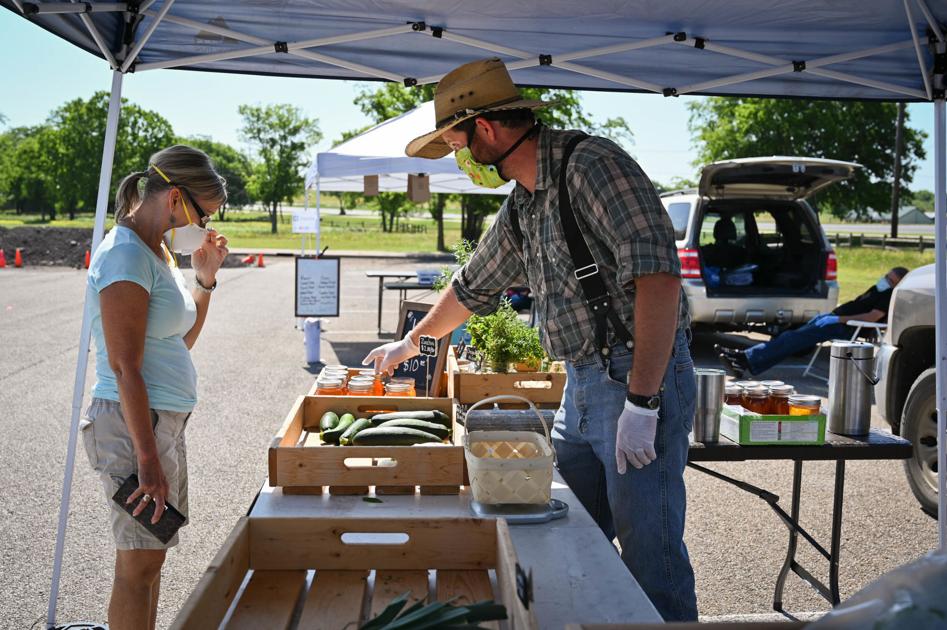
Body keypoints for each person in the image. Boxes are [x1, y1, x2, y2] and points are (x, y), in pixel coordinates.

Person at [363, 58, 698, 621]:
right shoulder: (523, 201)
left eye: (459, 145)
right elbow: (473, 286)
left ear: (486, 129)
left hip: (639, 381)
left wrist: (642, 403)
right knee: (562, 532)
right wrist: (413, 342)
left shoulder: (593, 166)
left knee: (651, 558)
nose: (463, 159)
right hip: (582, 384)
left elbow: (659, 281)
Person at [79, 145, 229, 630]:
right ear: (175, 199)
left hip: (158, 424)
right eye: (204, 214)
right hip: (132, 427)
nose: (204, 228)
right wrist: (146, 460)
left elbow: (178, 342)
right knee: (138, 565)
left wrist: (204, 282)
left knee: (152, 556)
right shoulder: (125, 254)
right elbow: (125, 367)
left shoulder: (157, 250)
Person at [717, 267, 909, 377]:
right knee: (790, 337)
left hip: (848, 328)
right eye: (887, 276)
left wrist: (839, 318)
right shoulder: (879, 289)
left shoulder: (889, 295)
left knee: (793, 338)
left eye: (890, 280)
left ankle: (746, 359)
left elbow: (872, 317)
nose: (885, 280)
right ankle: (747, 361)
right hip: (835, 319)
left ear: (897, 285)